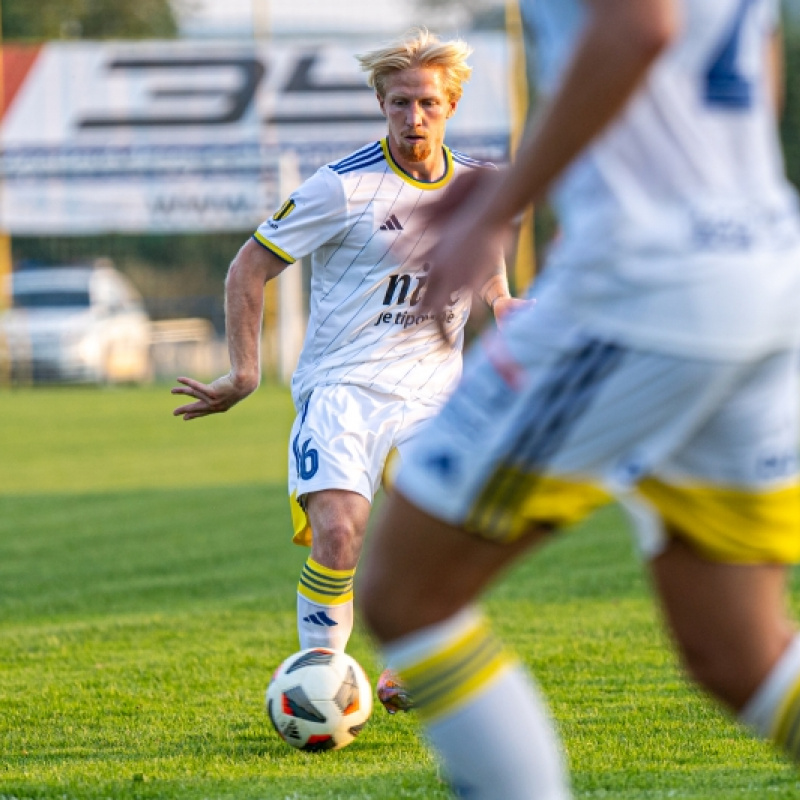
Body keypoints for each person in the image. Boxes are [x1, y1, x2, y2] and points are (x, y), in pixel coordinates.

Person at [358, 0, 800, 795]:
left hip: (643, 290)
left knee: (405, 593)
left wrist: (494, 209)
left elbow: (640, 27)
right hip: (763, 270)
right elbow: (751, 65)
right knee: (738, 652)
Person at [171, 28, 523, 713]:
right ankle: (322, 685)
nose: (412, 118)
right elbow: (250, 266)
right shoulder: (343, 187)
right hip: (342, 386)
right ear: (380, 104)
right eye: (398, 104)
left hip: (435, 392)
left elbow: (482, 256)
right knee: (339, 532)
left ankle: (403, 669)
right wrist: (245, 372)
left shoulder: (480, 184)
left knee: (442, 539)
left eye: (425, 103)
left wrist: (502, 300)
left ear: (450, 104)